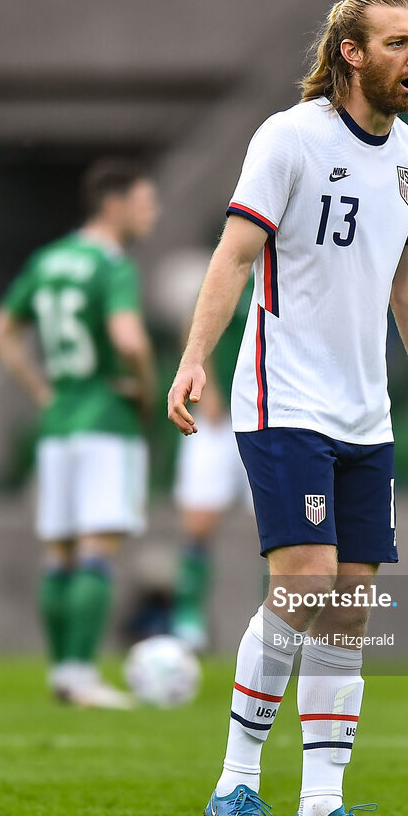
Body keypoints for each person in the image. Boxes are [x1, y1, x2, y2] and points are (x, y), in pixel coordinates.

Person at [167, 0, 408, 816]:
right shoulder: (290, 138)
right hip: (285, 397)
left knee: (353, 605)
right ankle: (234, 787)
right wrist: (195, 355)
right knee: (307, 583)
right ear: (351, 52)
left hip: (365, 412)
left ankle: (320, 807)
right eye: (398, 42)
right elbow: (235, 255)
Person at [0, 158, 158, 709]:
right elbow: (129, 340)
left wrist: (40, 389)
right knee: (96, 551)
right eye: (143, 200)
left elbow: (2, 330)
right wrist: (145, 388)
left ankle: (63, 671)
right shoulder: (113, 265)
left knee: (59, 554)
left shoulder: (50, 258)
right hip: (105, 418)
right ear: (113, 204)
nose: (151, 211)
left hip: (58, 421)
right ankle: (83, 677)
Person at [170, 279, 253, 651]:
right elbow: (194, 323)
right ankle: (189, 620)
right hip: (219, 418)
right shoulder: (237, 268)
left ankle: (282, 625)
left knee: (283, 530)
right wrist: (210, 387)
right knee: (199, 522)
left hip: (273, 416)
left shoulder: (296, 268)